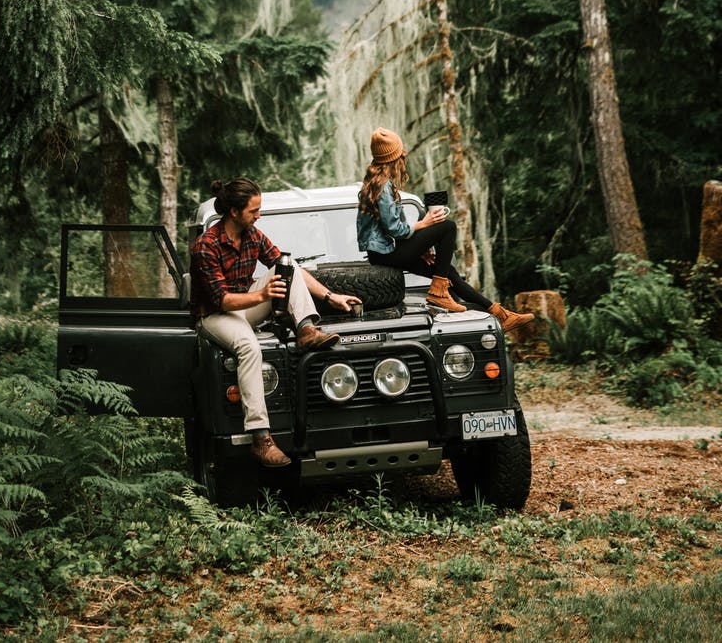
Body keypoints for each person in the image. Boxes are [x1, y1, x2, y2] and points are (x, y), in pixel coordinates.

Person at [191, 177, 362, 469]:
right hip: (214, 315)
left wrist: (331, 297)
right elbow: (221, 300)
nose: (259, 215)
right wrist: (262, 294)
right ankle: (261, 437)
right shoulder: (205, 246)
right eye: (253, 210)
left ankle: (306, 329)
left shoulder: (253, 235)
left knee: (286, 264)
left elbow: (288, 269)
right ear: (234, 212)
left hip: (245, 304)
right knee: (248, 345)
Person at [357, 128, 534, 331]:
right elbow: (395, 229)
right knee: (447, 226)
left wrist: (420, 249)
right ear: (394, 158)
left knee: (447, 271)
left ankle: (501, 315)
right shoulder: (382, 187)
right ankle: (439, 292)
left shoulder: (375, 184)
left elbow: (391, 231)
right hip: (386, 254)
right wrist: (426, 222)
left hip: (384, 252)